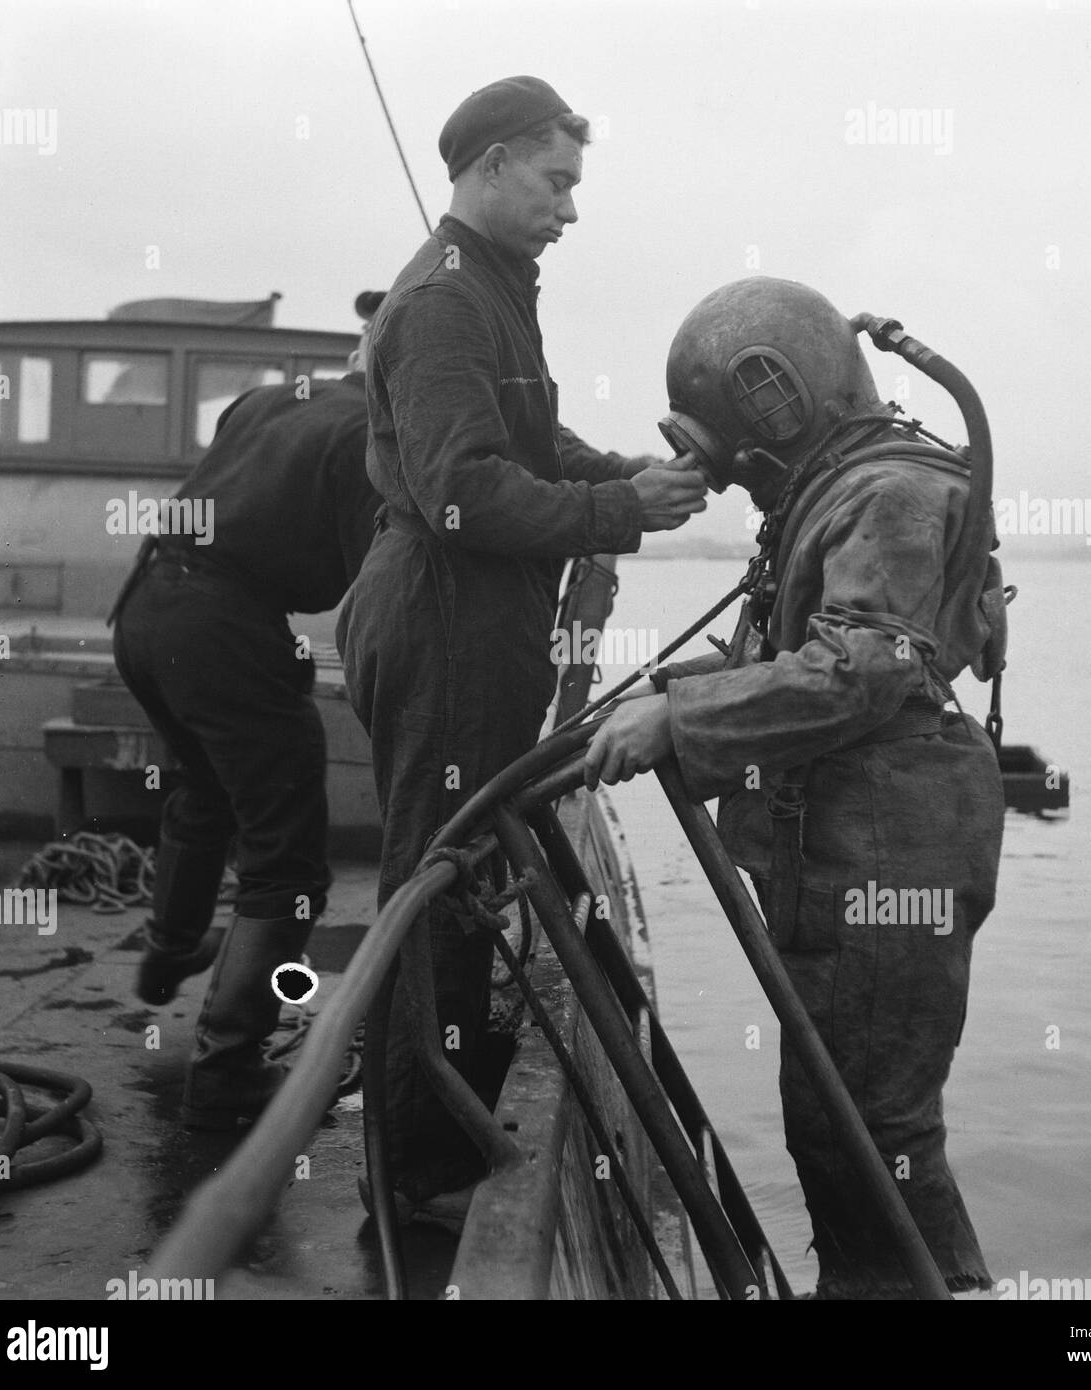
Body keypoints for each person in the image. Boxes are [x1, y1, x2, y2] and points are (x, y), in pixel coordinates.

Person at [583, 277, 1005, 1298]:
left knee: (873, 1129)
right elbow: (795, 652)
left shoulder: (888, 493)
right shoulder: (843, 486)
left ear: (773, 396)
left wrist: (678, 721)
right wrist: (663, 692)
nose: (730, 475)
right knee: (834, 1121)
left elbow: (863, 665)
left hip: (889, 861)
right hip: (850, 854)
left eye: (727, 448)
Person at [337, 75, 707, 1215]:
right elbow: (459, 491)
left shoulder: (494, 288)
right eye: (555, 182)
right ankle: (414, 1172)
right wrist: (611, 516)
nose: (569, 209)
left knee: (459, 871)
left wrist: (627, 480)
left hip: (471, 620)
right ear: (492, 165)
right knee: (432, 880)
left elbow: (529, 441)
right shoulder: (446, 304)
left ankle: (434, 1122)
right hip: (443, 616)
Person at [109, 313, 381, 1131]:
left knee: (203, 790)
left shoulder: (263, 401)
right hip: (226, 627)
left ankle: (170, 952)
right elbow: (374, 585)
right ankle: (228, 1070)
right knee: (286, 865)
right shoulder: (375, 438)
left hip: (145, 607)